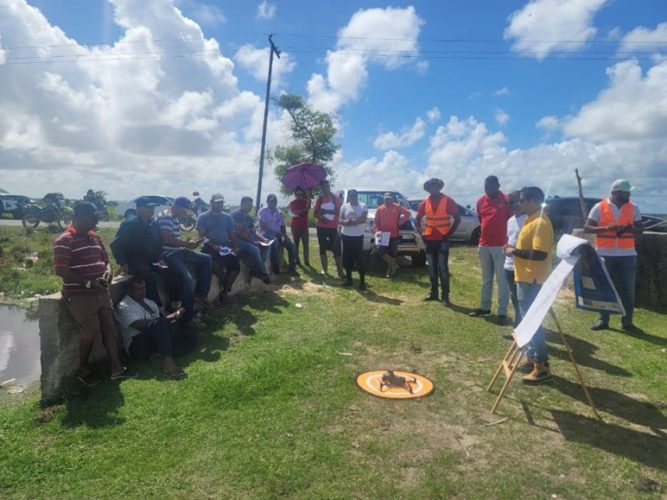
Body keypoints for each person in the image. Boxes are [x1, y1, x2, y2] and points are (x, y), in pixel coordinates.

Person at [53, 202, 134, 386]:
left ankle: (116, 368)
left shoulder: (95, 237)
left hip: (101, 291)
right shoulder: (64, 240)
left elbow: (105, 261)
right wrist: (88, 283)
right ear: (81, 217)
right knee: (90, 332)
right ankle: (83, 369)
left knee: (108, 328)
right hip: (80, 294)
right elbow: (61, 271)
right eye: (93, 217)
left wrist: (107, 273)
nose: (97, 220)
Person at [504, 186, 554, 384]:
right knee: (527, 320)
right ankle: (532, 358)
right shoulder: (530, 219)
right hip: (524, 277)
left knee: (532, 322)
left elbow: (540, 254)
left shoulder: (540, 222)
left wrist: (513, 252)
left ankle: (542, 365)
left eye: (523, 200)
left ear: (533, 201)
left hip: (532, 279)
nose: (520, 203)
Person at [584, 179, 643, 331]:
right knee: (604, 287)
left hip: (628, 254)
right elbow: (587, 228)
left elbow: (640, 229)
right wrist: (606, 228)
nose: (629, 194)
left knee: (628, 290)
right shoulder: (599, 207)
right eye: (626, 192)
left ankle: (627, 322)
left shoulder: (633, 207)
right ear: (616, 193)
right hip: (604, 254)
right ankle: (603, 320)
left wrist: (629, 228)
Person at [115, 276, 196, 379]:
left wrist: (175, 318)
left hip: (156, 341)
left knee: (190, 336)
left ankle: (159, 356)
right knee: (158, 323)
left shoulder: (150, 302)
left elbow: (161, 327)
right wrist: (172, 316)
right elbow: (140, 326)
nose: (142, 291)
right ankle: (168, 363)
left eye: (144, 288)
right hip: (137, 345)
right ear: (129, 290)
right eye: (138, 289)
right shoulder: (124, 306)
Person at [158, 196, 212, 327]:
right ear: (177, 207)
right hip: (169, 254)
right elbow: (166, 239)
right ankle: (188, 317)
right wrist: (187, 245)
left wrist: (187, 244)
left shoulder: (173, 217)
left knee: (207, 259)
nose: (186, 214)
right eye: (185, 210)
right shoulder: (166, 217)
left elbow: (173, 239)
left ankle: (199, 296)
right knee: (187, 279)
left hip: (177, 251)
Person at [469, 176, 511, 323]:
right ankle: (485, 308)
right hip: (484, 245)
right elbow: (482, 220)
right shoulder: (481, 201)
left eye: (492, 187)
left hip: (501, 245)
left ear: (498, 186)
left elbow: (511, 221)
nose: (489, 190)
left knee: (502, 280)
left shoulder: (506, 200)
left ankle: (501, 312)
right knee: (486, 279)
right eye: (486, 187)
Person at [110, 196, 165, 306]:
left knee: (171, 271)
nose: (152, 210)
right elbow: (116, 245)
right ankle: (156, 309)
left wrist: (160, 258)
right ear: (139, 208)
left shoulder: (154, 225)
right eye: (148, 207)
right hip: (134, 262)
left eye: (153, 207)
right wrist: (123, 262)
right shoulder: (129, 224)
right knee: (149, 276)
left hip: (151, 260)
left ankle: (174, 303)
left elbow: (159, 243)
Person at [415, 178, 461, 305]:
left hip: (442, 239)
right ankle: (433, 293)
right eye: (431, 187)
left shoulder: (448, 201)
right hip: (429, 239)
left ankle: (445, 295)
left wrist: (449, 234)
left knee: (443, 268)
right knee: (431, 268)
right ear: (428, 189)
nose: (433, 189)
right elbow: (417, 220)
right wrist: (421, 233)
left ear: (439, 188)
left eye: (436, 187)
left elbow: (457, 219)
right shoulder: (424, 203)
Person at [196, 193, 240, 305]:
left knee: (235, 266)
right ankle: (224, 280)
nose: (219, 204)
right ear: (211, 203)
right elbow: (201, 236)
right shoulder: (203, 217)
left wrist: (235, 247)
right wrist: (214, 246)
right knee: (211, 263)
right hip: (208, 246)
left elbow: (232, 233)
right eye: (217, 202)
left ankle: (224, 292)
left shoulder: (227, 217)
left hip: (225, 247)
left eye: (221, 202)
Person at [231, 196, 271, 284]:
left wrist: (264, 239)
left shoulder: (248, 217)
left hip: (246, 240)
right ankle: (262, 272)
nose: (249, 207)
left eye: (250, 206)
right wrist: (252, 242)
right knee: (255, 249)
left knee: (266, 247)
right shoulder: (236, 214)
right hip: (235, 240)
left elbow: (254, 231)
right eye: (247, 205)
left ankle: (256, 270)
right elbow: (239, 232)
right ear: (241, 204)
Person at [503, 191, 527, 327]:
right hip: (509, 265)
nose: (509, 206)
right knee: (514, 295)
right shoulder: (510, 220)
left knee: (523, 297)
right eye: (507, 203)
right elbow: (511, 239)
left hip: (522, 264)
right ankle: (518, 317)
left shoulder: (528, 220)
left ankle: (522, 321)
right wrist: (506, 247)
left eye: (512, 202)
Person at [373, 192, 411, 278]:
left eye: (389, 199)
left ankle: (390, 270)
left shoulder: (397, 207)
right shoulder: (380, 209)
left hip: (394, 234)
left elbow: (408, 214)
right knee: (381, 251)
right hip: (383, 234)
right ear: (384, 200)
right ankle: (394, 265)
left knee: (393, 253)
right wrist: (376, 230)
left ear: (392, 199)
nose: (388, 201)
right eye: (386, 199)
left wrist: (400, 222)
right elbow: (376, 221)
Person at [259, 193, 297, 275]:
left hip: (279, 234)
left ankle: (292, 267)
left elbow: (282, 225)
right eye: (271, 201)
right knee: (275, 242)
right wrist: (275, 233)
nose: (273, 203)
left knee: (291, 245)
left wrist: (284, 235)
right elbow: (263, 225)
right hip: (266, 233)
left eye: (275, 201)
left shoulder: (279, 212)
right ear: (267, 202)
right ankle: (275, 267)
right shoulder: (263, 211)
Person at [314, 179, 344, 278]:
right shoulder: (320, 199)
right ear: (321, 187)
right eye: (323, 186)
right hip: (321, 227)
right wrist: (321, 218)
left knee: (337, 249)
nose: (325, 188)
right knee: (322, 249)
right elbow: (315, 213)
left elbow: (338, 212)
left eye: (326, 186)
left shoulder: (336, 198)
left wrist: (326, 211)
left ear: (329, 186)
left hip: (333, 227)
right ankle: (325, 271)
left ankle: (340, 273)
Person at [339, 189, 368, 290]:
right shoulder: (344, 206)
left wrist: (352, 222)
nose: (352, 197)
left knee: (359, 259)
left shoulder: (363, 206)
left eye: (354, 195)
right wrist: (346, 222)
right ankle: (349, 279)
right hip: (346, 235)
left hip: (358, 236)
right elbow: (340, 219)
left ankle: (362, 282)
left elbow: (363, 218)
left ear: (357, 196)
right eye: (351, 195)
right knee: (347, 258)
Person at [289, 187, 311, 267]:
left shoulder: (306, 201)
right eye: (298, 194)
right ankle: (297, 260)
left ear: (303, 195)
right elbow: (296, 212)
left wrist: (308, 196)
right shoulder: (292, 203)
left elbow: (308, 206)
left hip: (304, 227)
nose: (299, 196)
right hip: (295, 226)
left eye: (301, 194)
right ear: (295, 195)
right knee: (296, 244)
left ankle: (306, 261)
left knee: (306, 245)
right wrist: (305, 210)